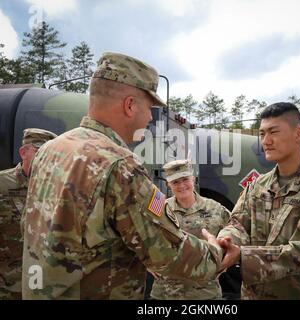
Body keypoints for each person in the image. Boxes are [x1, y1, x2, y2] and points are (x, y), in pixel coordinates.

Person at [21, 52, 224, 300]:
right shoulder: (119, 164)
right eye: (149, 108)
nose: (150, 118)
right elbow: (169, 253)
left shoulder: (49, 150)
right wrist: (214, 252)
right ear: (129, 105)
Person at [217, 102, 300, 300]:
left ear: (298, 133)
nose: (266, 140)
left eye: (273, 132)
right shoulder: (258, 185)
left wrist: (240, 256)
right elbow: (237, 224)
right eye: (262, 133)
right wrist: (225, 241)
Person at [150, 159, 231, 300]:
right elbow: (142, 236)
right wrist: (147, 264)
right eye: (175, 182)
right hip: (166, 293)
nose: (181, 185)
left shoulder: (215, 208)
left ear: (193, 179)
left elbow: (235, 234)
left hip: (205, 293)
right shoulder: (159, 208)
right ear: (168, 184)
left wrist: (226, 262)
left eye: (185, 179)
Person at [0, 128, 57, 299]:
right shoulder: (3, 185)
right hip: (8, 286)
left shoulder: (59, 189)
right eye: (40, 152)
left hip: (43, 288)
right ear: (24, 152)